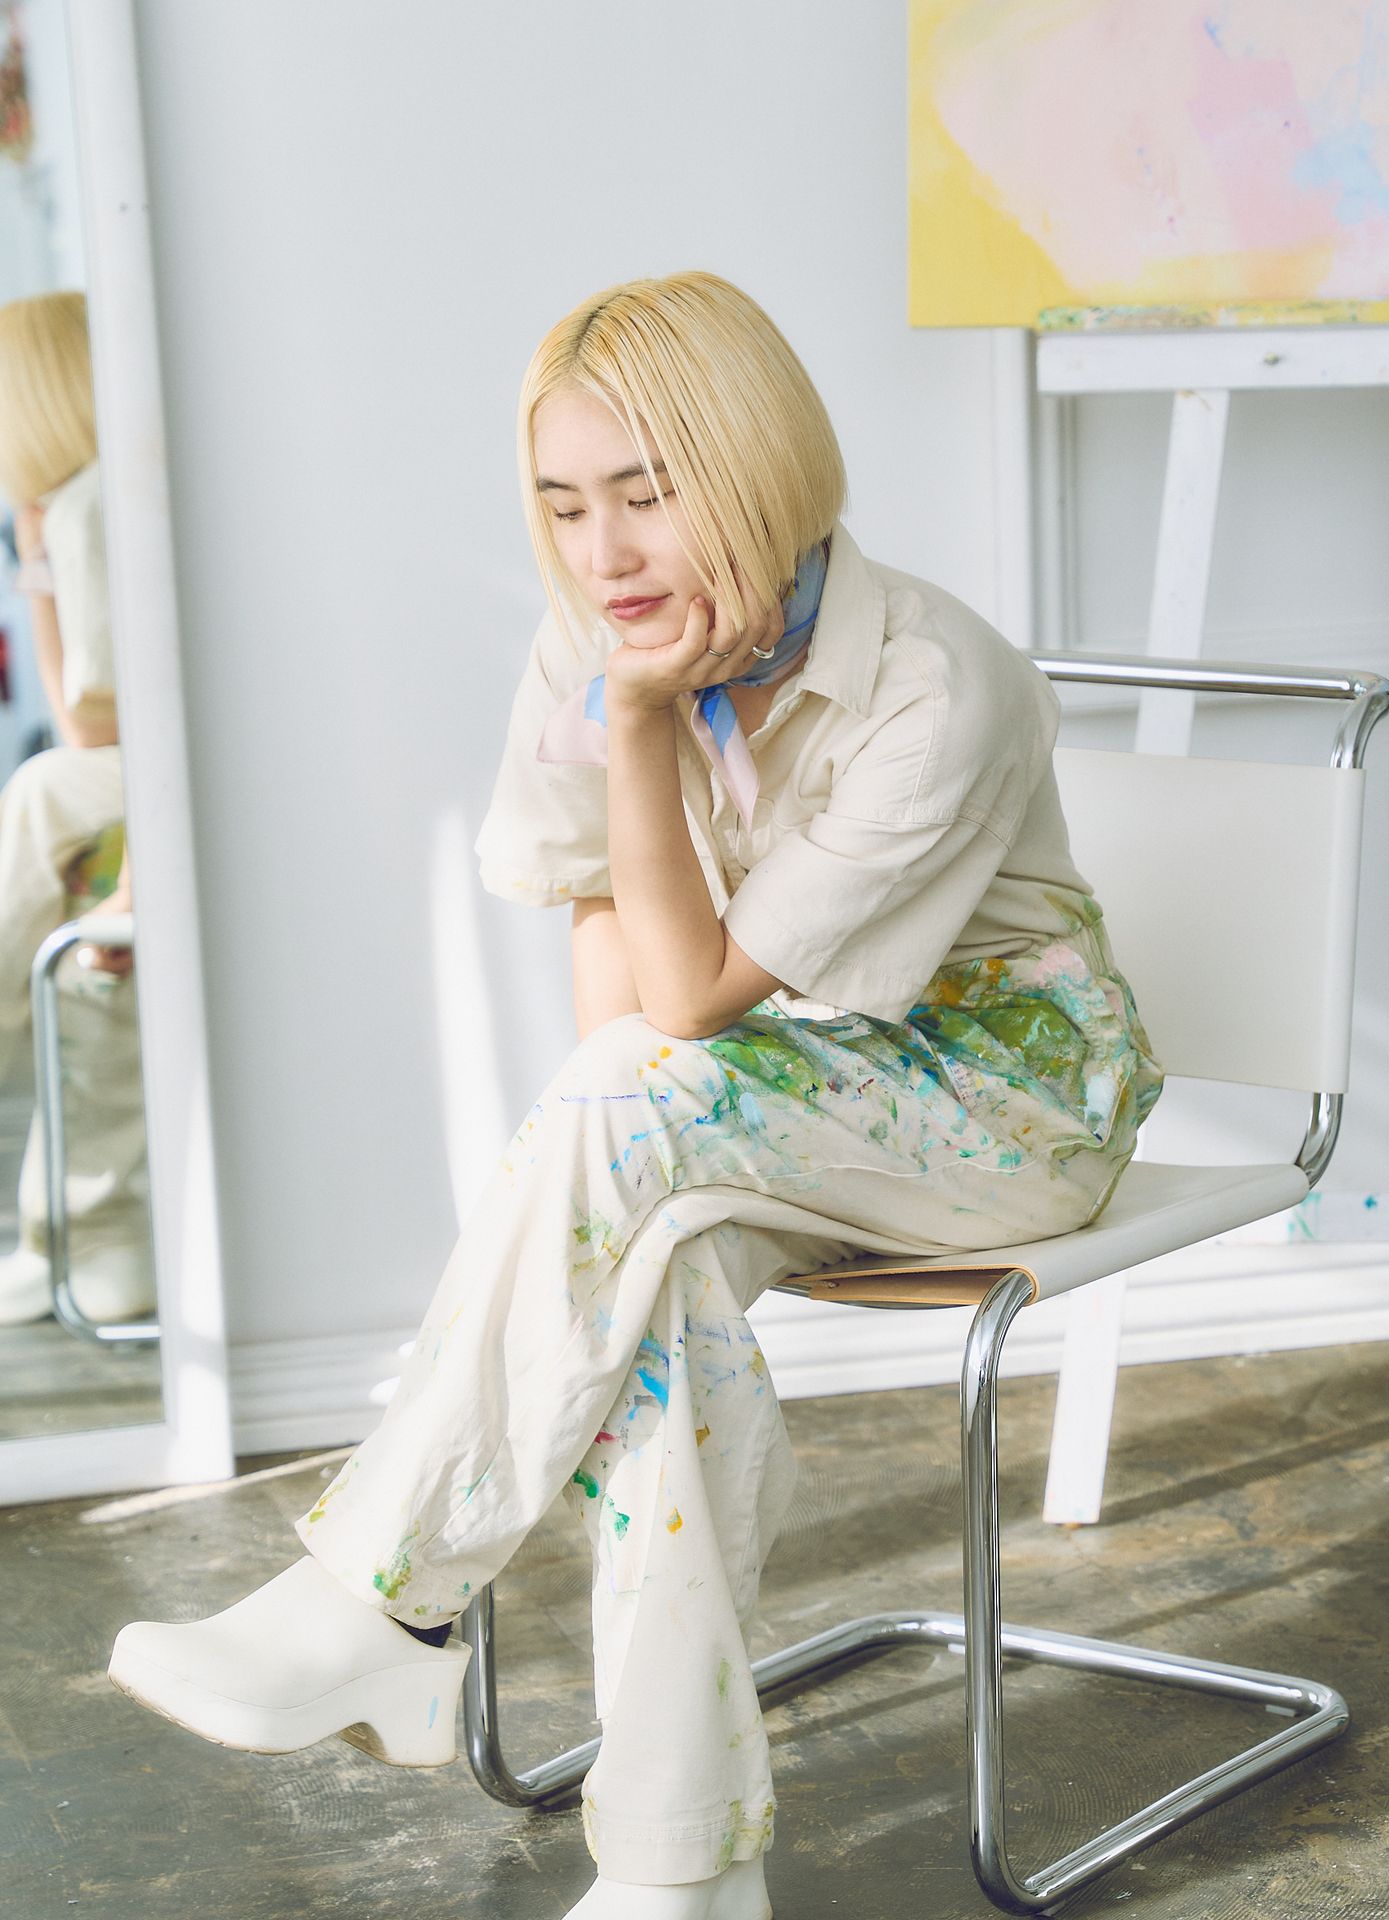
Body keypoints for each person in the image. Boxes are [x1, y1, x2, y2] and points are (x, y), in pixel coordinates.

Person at [106, 272, 1164, 1920]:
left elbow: (687, 1005)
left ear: (754, 465)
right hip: (775, 1100)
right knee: (656, 1294)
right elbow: (611, 947)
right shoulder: (597, 640)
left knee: (635, 1129)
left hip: (1007, 1106)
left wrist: (647, 722)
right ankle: (685, 1871)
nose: (603, 551)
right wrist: (627, 1191)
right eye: (563, 503)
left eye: (648, 492)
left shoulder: (937, 682)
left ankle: (382, 1604)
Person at [0, 289, 151, 1327]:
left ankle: (75, 1242)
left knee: (41, 788)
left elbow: (96, 725)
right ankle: (68, 1242)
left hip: (149, 770)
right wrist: (37, 565)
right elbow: (82, 715)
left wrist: (40, 562)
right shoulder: (83, 503)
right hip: (133, 771)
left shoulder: (93, 505)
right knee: (45, 796)